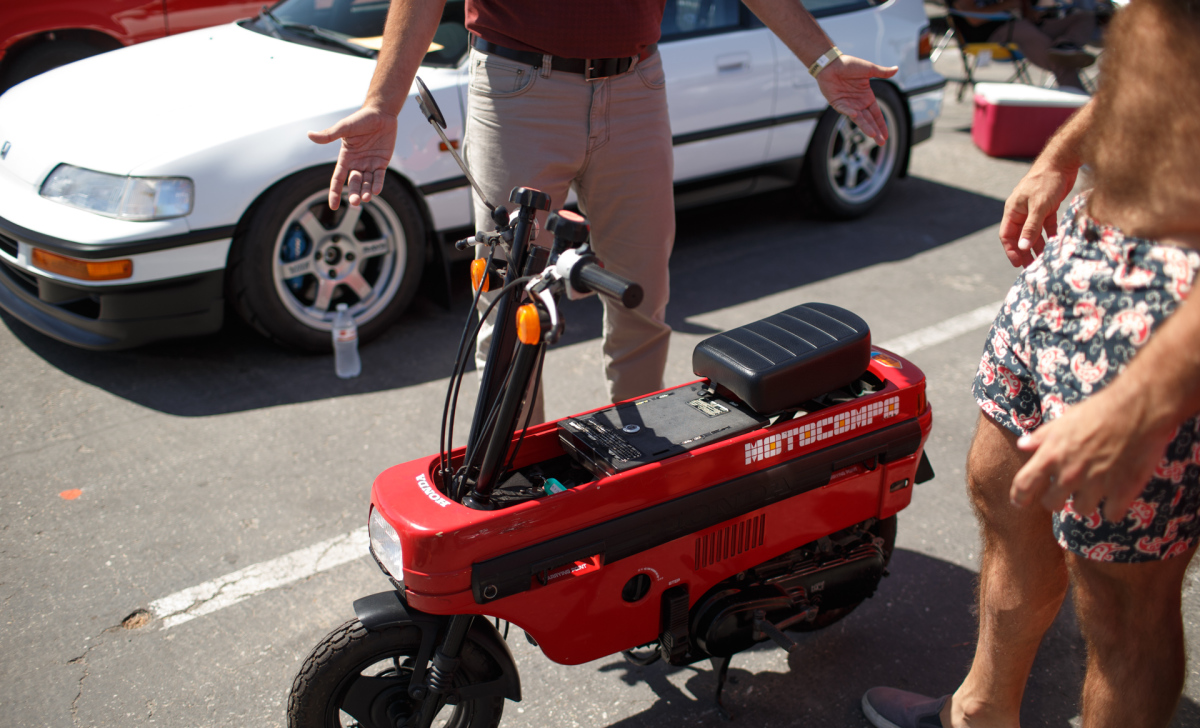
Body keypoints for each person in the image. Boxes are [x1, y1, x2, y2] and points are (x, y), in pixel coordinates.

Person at [861, 0, 1200, 728]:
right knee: (998, 482)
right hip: (1087, 243)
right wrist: (1067, 153)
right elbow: (1167, 52)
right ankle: (982, 719)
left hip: (1175, 305)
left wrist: (1150, 390)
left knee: (1122, 602)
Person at [308, 0, 897, 422]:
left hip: (635, 85)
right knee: (510, 309)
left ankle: (636, 462)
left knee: (643, 293)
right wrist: (383, 106)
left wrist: (823, 61)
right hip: (518, 91)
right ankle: (516, 477)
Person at [950, 0, 1097, 90]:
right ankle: (1085, 111)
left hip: (1022, 24)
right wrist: (1006, 5)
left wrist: (1027, 9)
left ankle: (1066, 44)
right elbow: (973, 18)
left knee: (1084, 17)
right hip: (993, 34)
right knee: (1060, 61)